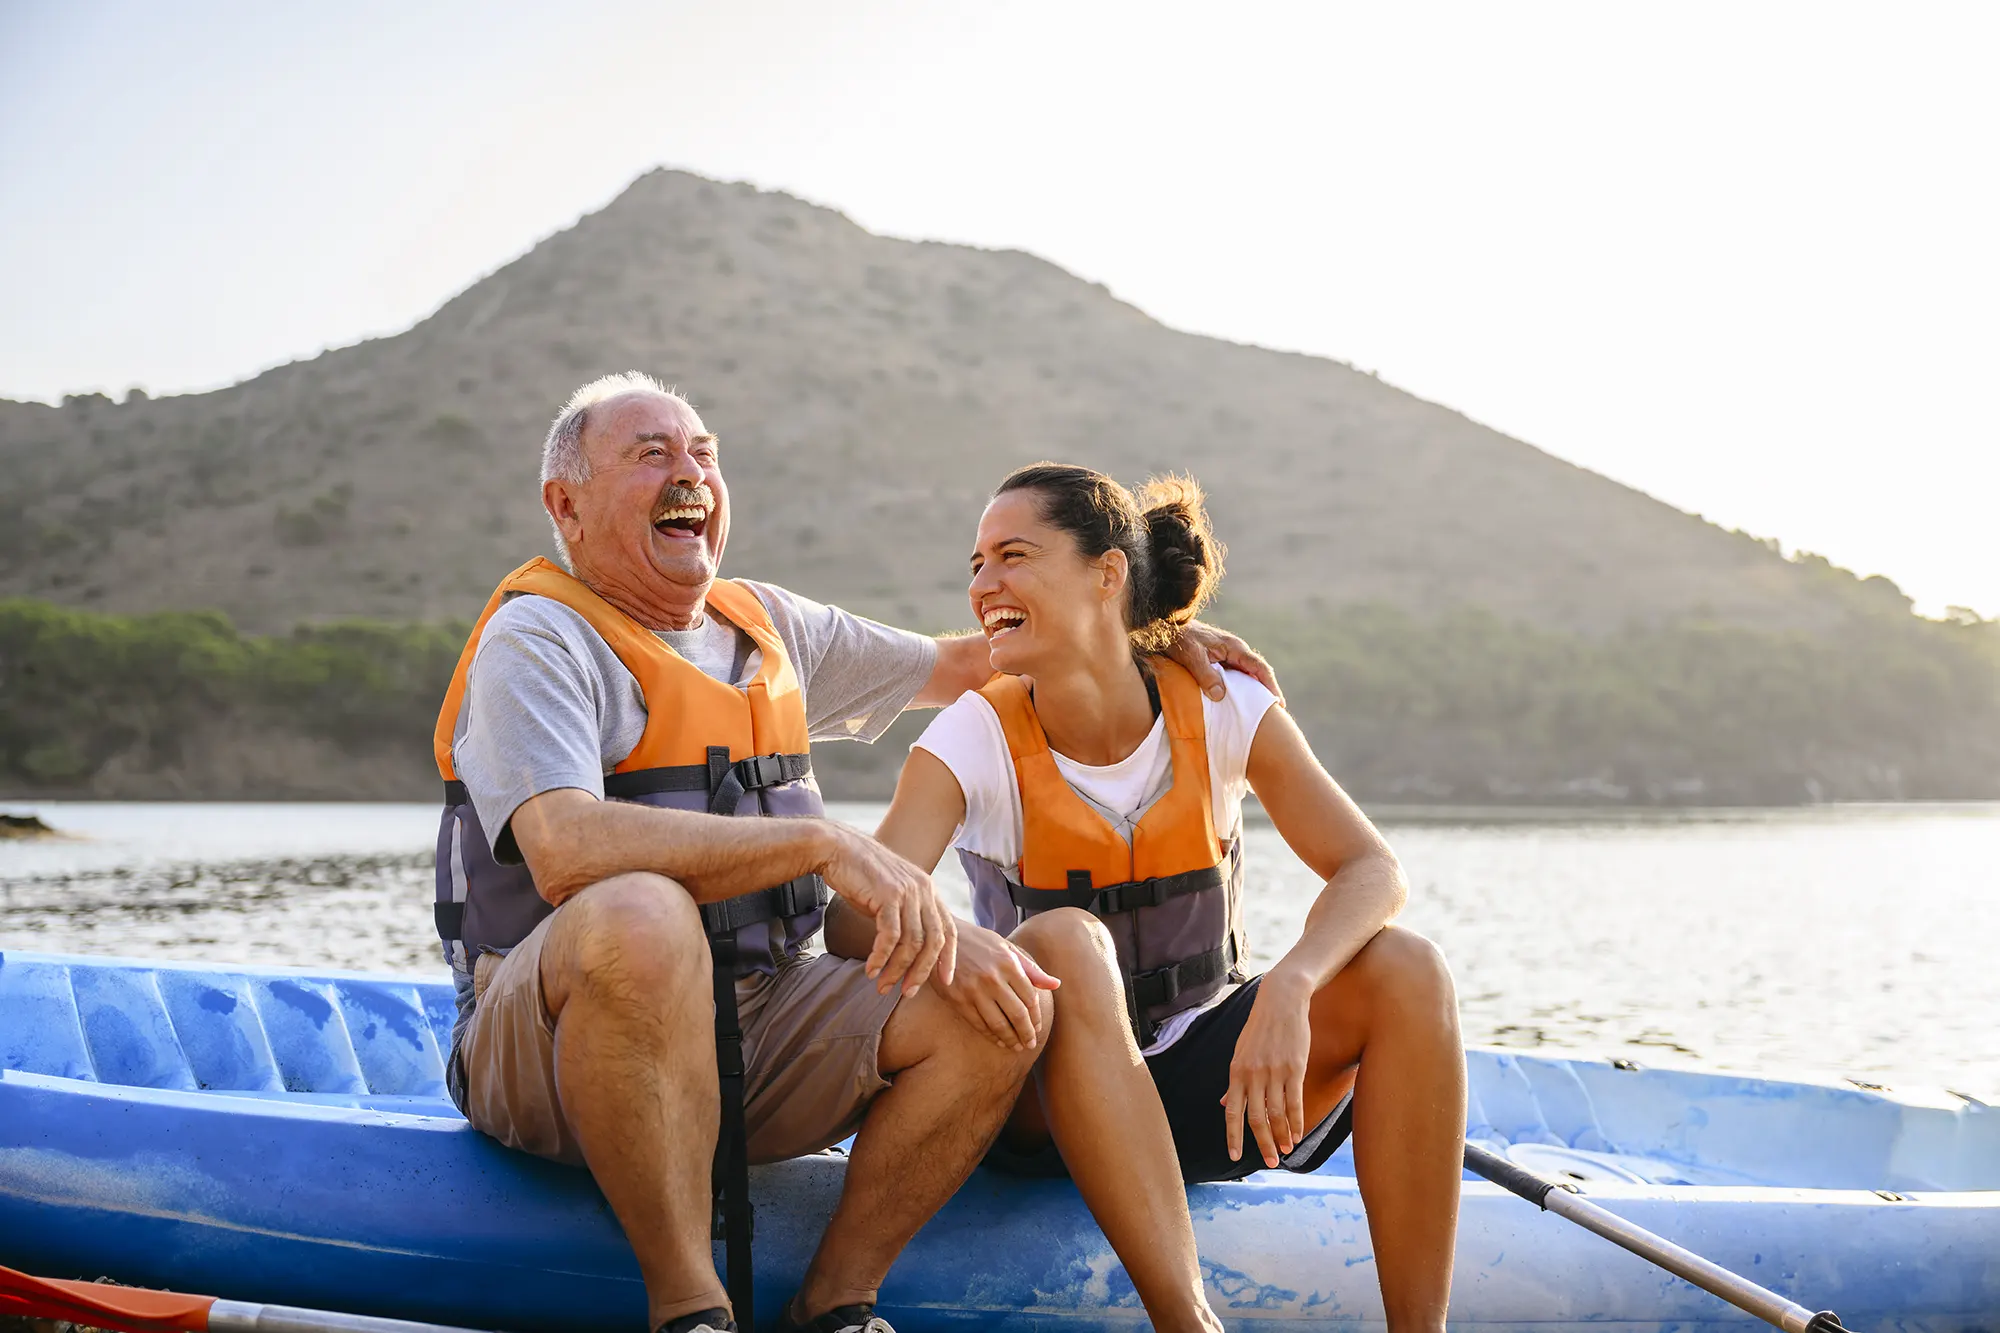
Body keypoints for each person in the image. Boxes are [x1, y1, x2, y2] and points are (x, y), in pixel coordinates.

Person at [433, 375, 1275, 1333]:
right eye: (651, 454)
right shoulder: (537, 639)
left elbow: (975, 663)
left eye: (703, 451)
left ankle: (833, 1302)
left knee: (997, 997)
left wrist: (1130, 634)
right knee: (642, 912)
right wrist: (819, 842)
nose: (690, 473)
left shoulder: (771, 628)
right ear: (566, 504)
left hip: (755, 1025)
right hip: (547, 1044)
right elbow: (565, 850)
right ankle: (688, 1307)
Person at [864, 463, 1467, 1332]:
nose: (981, 584)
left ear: (1106, 575)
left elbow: (1371, 869)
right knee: (1065, 939)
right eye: (976, 562)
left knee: (1408, 967)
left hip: (1205, 1096)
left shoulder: (1221, 700)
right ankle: (1188, 1321)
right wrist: (972, 951)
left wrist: (1291, 984)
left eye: (1013, 555)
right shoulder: (972, 734)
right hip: (1034, 1110)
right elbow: (856, 912)